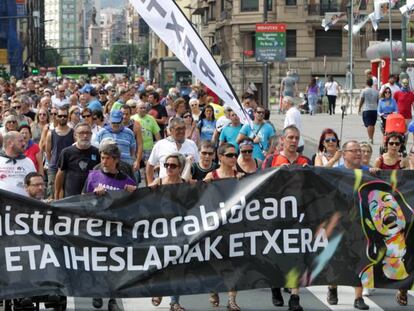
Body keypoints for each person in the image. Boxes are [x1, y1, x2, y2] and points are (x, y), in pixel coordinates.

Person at [83, 143, 136, 311]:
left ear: (116, 160)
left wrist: (134, 194)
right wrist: (93, 194)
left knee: (115, 264)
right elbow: (83, 199)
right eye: (102, 157)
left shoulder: (127, 181)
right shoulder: (93, 176)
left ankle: (113, 298)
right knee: (97, 261)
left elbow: (135, 206)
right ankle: (97, 292)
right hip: (97, 225)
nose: (103, 161)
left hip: (117, 228)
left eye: (107, 158)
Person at [269, 125, 307, 311]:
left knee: (296, 255)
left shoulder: (304, 161)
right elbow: (258, 183)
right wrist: (275, 173)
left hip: (298, 215)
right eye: (290, 137)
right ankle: (275, 286)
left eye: (296, 138)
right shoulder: (272, 160)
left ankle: (295, 297)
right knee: (276, 254)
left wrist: (311, 173)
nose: (293, 141)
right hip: (275, 215)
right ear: (282, 140)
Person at [357, 181, 413, 306]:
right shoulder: (368, 274)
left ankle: (403, 289)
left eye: (387, 199)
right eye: (374, 206)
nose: (383, 207)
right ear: (370, 223)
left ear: (402, 207)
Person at [204, 143, 241, 311]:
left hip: (234, 226)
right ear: (221, 157)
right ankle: (214, 287)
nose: (234, 158)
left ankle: (232, 299)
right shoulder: (211, 176)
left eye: (235, 155)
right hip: (215, 226)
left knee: (235, 263)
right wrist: (205, 184)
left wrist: (243, 181)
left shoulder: (239, 176)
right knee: (216, 261)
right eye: (230, 155)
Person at [146, 117, 199, 185]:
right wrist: (150, 185)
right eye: (178, 129)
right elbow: (150, 165)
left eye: (183, 128)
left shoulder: (191, 144)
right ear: (171, 130)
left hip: (186, 188)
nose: (181, 131)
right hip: (165, 187)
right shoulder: (160, 144)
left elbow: (198, 165)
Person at [54, 123, 100, 199]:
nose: (85, 136)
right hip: (71, 198)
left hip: (90, 198)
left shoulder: (97, 152)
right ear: (75, 135)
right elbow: (60, 174)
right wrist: (57, 195)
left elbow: (100, 175)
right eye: (82, 133)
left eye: (88, 133)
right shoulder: (66, 152)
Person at [45, 107, 75, 198]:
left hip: (69, 167)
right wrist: (53, 162)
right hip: (54, 167)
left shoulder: (73, 133)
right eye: (60, 116)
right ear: (57, 117)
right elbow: (48, 151)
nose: (62, 118)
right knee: (52, 194)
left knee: (67, 194)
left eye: (65, 116)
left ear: (68, 117)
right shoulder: (51, 133)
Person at [0, 131, 36, 196]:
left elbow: (35, 183)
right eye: (20, 141)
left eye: (24, 141)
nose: (24, 144)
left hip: (23, 203)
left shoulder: (28, 161)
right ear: (10, 143)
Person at [358, 79, 379, 144]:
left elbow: (362, 99)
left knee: (369, 124)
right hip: (374, 109)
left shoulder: (364, 91)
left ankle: (370, 138)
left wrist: (359, 108)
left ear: (366, 83)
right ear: (372, 83)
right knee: (372, 124)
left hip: (367, 109)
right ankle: (371, 137)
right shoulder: (376, 91)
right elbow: (378, 100)